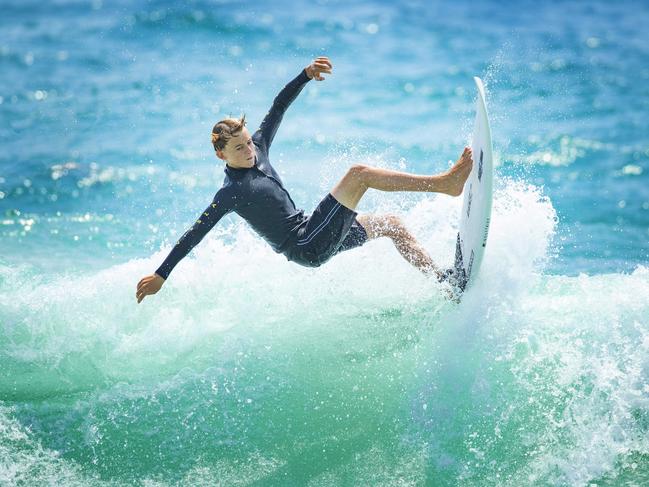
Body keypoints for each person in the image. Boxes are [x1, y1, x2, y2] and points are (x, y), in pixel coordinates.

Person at [136, 56, 473, 304]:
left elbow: (277, 108)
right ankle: (445, 184)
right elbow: (194, 233)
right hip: (305, 244)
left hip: (312, 230)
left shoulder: (259, 146)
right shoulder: (231, 193)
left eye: (248, 142)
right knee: (359, 175)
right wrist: (162, 274)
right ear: (221, 155)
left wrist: (305, 75)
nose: (249, 150)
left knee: (392, 225)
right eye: (239, 148)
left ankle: (446, 284)